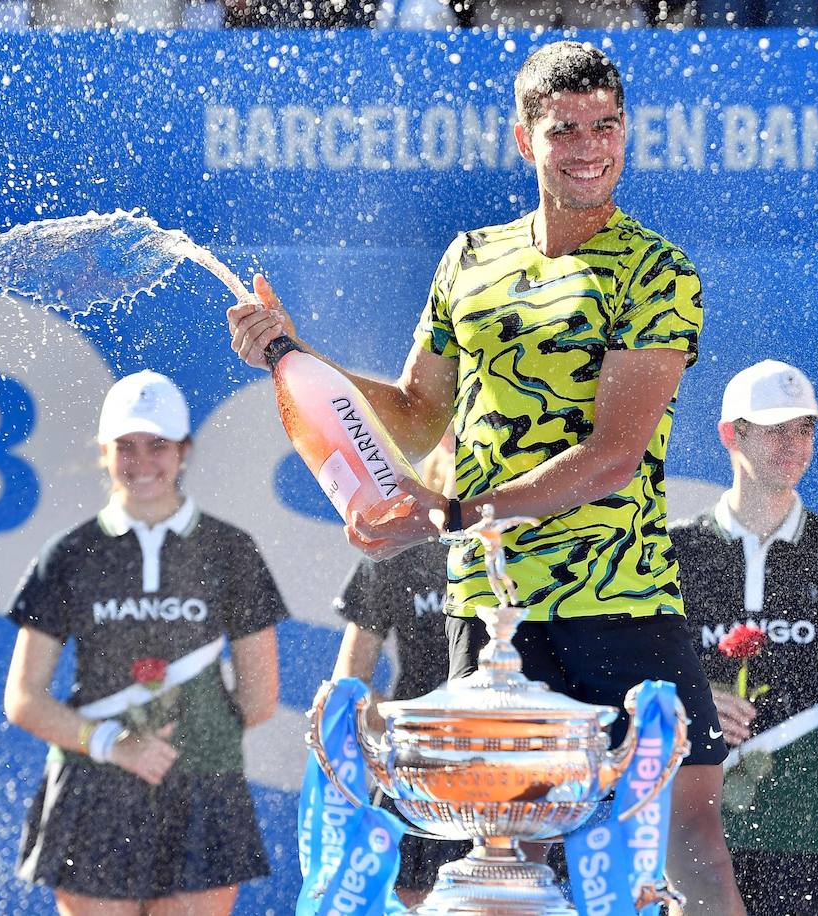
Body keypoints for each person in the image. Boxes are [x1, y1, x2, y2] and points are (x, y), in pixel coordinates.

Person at [229, 40, 745, 915]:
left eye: (607, 126)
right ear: (523, 139)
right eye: (565, 129)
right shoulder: (470, 258)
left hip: (618, 594)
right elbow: (419, 409)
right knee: (510, 852)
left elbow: (616, 456)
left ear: (627, 132)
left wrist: (456, 508)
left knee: (689, 844)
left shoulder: (658, 270)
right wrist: (293, 353)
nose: (589, 146)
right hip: (492, 601)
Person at [3, 370, 286, 916]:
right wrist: (117, 743)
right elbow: (22, 698)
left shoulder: (230, 551)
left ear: (184, 450)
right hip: (95, 785)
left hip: (203, 790)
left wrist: (187, 743)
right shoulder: (71, 552)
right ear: (104, 453)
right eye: (126, 447)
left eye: (158, 445)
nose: (141, 462)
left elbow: (260, 698)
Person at [671, 360, 818, 916]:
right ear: (731, 434)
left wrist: (791, 754)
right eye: (777, 429)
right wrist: (691, 708)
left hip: (806, 833)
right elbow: (633, 690)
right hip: (696, 834)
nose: (796, 444)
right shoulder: (674, 557)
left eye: (806, 428)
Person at [329, 436, 471, 908]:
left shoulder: (535, 550)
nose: (467, 457)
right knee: (410, 900)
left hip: (505, 772)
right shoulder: (399, 547)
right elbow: (348, 689)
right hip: (414, 774)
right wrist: (408, 723)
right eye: (457, 444)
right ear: (438, 453)